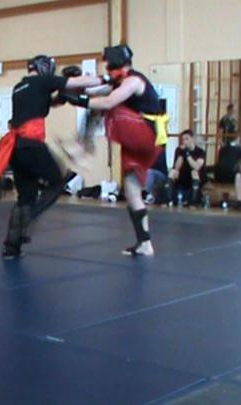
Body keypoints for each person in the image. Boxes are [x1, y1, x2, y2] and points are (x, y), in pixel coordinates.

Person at [0, 55, 99, 259]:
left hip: (16, 149)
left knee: (25, 197)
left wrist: (64, 96)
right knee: (58, 181)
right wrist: (107, 79)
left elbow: (49, 103)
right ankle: (30, 218)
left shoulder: (20, 87)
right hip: (31, 146)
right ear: (44, 68)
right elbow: (77, 82)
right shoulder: (42, 81)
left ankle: (11, 247)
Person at [62, 44, 166, 256]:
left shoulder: (133, 81)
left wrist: (79, 100)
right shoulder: (119, 82)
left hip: (146, 135)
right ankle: (145, 243)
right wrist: (76, 88)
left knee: (107, 106)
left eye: (108, 63)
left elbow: (108, 102)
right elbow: (94, 93)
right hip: (141, 143)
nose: (107, 67)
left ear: (115, 62)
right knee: (132, 192)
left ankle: (84, 148)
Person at [165, 130, 206, 206]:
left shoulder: (200, 151)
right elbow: (176, 167)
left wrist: (187, 154)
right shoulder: (179, 150)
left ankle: (193, 202)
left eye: (187, 139)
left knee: (194, 172)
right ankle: (168, 200)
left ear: (192, 139)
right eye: (183, 139)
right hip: (183, 175)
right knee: (172, 172)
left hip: (195, 177)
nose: (184, 141)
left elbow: (196, 167)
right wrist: (181, 153)